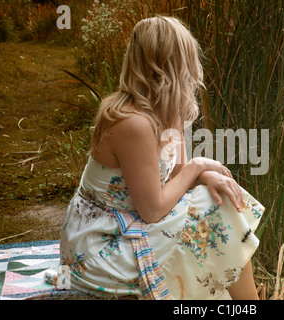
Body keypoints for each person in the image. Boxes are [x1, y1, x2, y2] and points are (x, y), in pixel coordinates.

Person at [59, 15, 264, 300]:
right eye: (190, 60)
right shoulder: (132, 122)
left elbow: (177, 170)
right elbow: (153, 210)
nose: (195, 69)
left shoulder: (166, 110)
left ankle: (247, 300)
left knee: (217, 199)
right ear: (170, 67)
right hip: (102, 242)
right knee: (215, 213)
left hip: (134, 223)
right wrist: (199, 165)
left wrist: (205, 175)